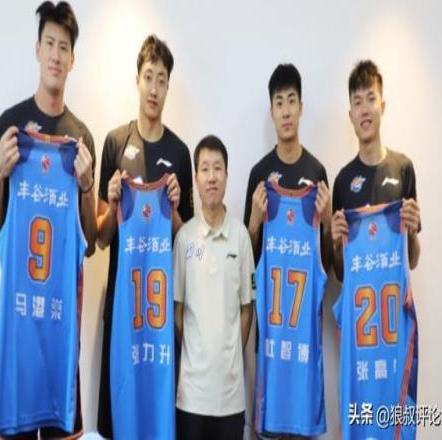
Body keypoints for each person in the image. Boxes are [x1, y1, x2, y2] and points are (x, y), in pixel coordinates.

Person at [0, 2, 96, 438]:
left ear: (73, 59)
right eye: (49, 43)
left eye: (63, 47)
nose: (55, 55)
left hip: (61, 335)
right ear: (37, 49)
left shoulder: (80, 138)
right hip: (19, 333)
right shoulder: (10, 128)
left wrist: (86, 186)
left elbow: (89, 241)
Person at [96, 34, 194, 438]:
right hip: (123, 310)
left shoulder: (180, 152)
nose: (154, 88)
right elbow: (101, 238)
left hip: (162, 319)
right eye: (149, 77)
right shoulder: (115, 143)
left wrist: (174, 212)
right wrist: (111, 202)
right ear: (137, 80)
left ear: (169, 87)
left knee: (158, 421)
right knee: (118, 420)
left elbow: (189, 247)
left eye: (162, 80)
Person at [174, 135, 255, 440]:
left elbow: (247, 309)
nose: (211, 177)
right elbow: (177, 311)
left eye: (217, 168)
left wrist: (229, 352)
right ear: (196, 178)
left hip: (231, 396)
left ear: (226, 176)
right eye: (205, 169)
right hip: (191, 395)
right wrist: (198, 351)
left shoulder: (241, 237)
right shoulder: (184, 239)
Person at [331, 60, 421, 280]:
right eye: (358, 102)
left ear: (382, 106)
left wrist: (411, 233)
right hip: (360, 301)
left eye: (371, 99)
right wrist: (335, 245)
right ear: (351, 115)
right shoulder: (343, 180)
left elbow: (412, 261)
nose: (364, 110)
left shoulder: (403, 168)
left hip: (393, 300)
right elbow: (341, 274)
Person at [244, 63, 332, 272]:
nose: (285, 112)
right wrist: (254, 226)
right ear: (272, 111)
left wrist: (328, 224)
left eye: (291, 101)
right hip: (270, 293)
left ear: (301, 107)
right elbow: (247, 266)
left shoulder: (317, 173)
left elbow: (326, 266)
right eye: (279, 103)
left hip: (307, 293)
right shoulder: (259, 174)